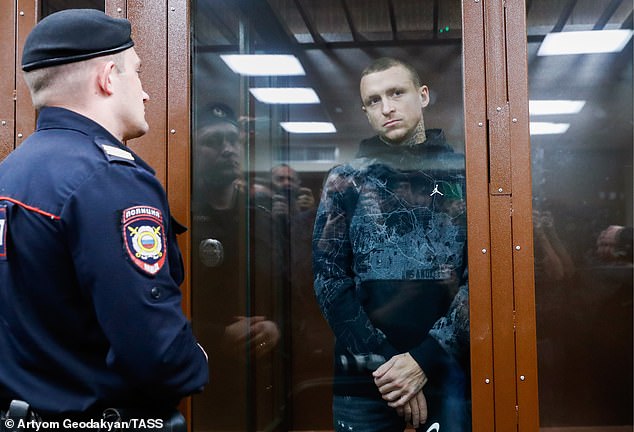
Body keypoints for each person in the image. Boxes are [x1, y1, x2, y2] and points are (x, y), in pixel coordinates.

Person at [0, 8, 208, 425]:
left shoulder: (12, 172)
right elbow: (156, 351)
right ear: (108, 77)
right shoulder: (108, 179)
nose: (146, 93)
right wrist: (194, 361)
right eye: (137, 72)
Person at [312, 57, 470, 431]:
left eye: (397, 93)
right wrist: (389, 366)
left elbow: (482, 278)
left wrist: (423, 359)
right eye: (373, 100)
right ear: (366, 111)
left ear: (423, 95)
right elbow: (329, 281)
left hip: (448, 370)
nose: (387, 107)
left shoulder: (465, 174)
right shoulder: (345, 180)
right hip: (366, 378)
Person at [191, 103, 282, 430]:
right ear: (193, 148)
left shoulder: (261, 217)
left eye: (232, 140)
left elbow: (287, 291)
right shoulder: (180, 216)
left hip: (262, 379)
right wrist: (216, 337)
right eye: (213, 141)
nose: (227, 149)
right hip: (200, 376)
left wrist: (276, 327)